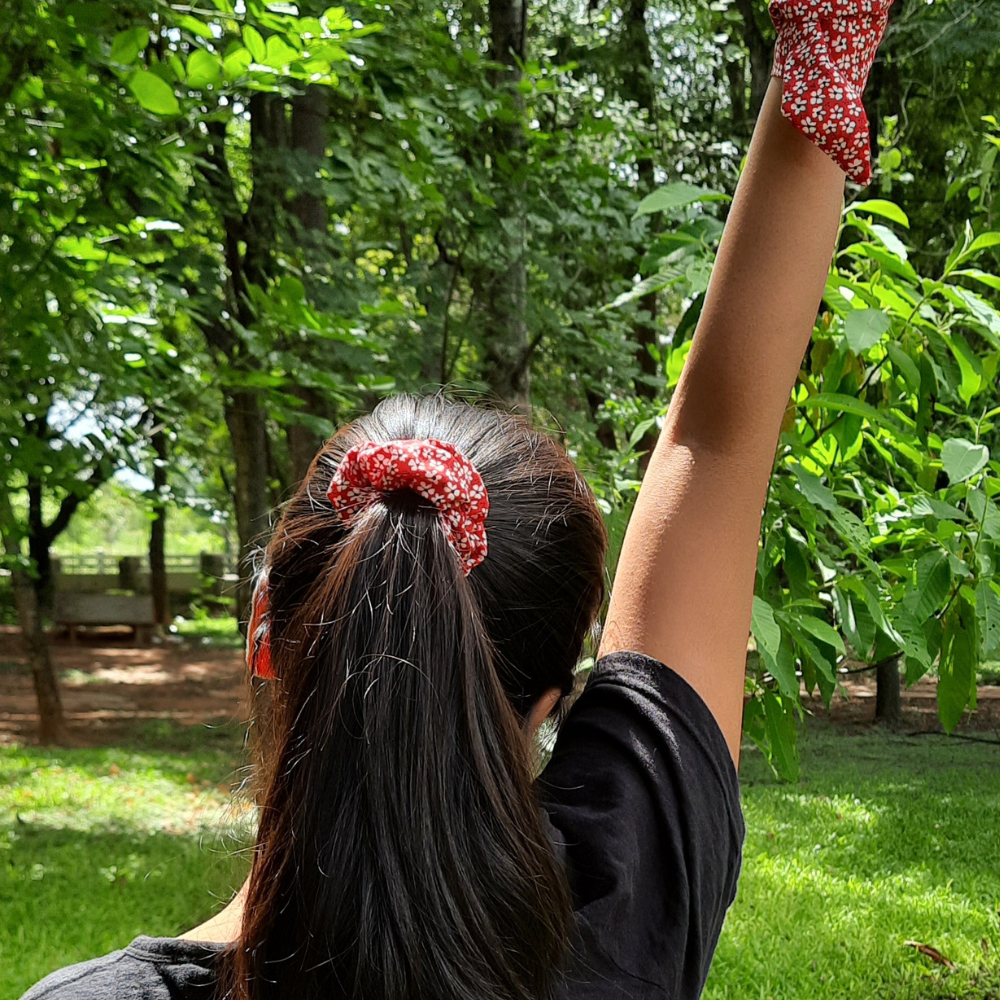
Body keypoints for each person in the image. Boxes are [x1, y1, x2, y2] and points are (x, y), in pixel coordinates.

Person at [20, 2, 893, 998]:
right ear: (552, 705)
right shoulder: (623, 895)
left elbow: (716, 443)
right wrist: (828, 42)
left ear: (264, 632)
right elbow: (717, 441)